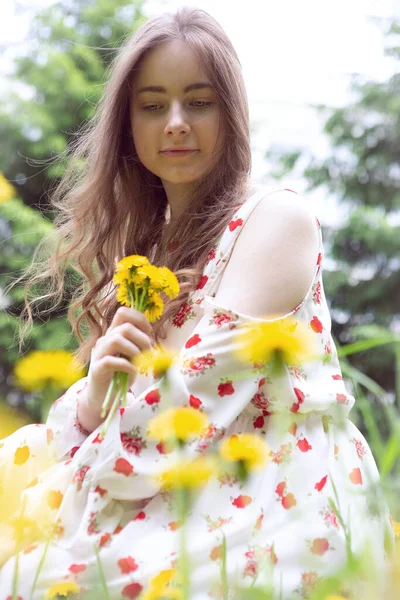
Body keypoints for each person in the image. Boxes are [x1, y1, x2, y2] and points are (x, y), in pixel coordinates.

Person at [0, 7, 394, 599]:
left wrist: (66, 477)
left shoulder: (275, 219)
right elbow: (134, 412)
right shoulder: (157, 246)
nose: (176, 123)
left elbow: (191, 402)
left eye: (199, 102)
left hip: (270, 504)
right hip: (176, 483)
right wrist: (99, 391)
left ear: (230, 113)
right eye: (153, 106)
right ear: (128, 126)